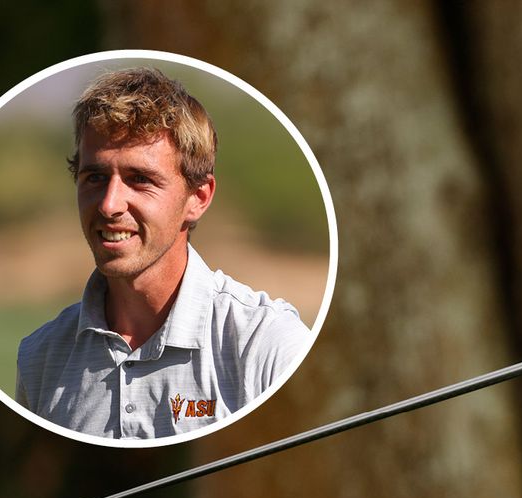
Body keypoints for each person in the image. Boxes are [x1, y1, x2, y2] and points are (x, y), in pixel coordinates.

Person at [16, 67, 312, 440]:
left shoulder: (267, 344)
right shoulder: (39, 357)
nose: (109, 205)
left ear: (198, 198)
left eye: (140, 179)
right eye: (95, 177)